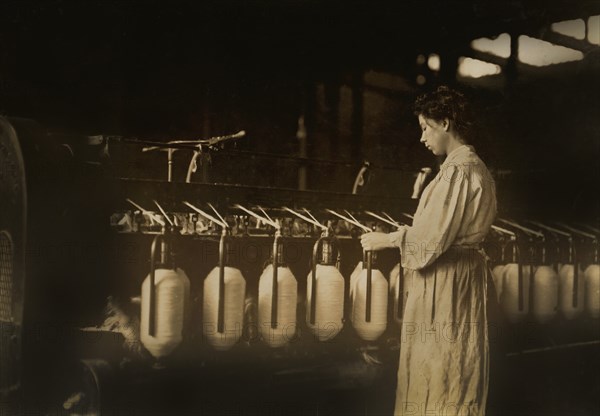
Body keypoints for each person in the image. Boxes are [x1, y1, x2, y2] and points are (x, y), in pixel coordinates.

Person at [361, 85, 498, 416]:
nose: (423, 138)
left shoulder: (458, 170)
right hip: (455, 278)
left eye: (426, 127)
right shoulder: (470, 167)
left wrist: (387, 239)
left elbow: (430, 240)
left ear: (446, 123)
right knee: (451, 368)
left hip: (447, 282)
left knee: (443, 370)